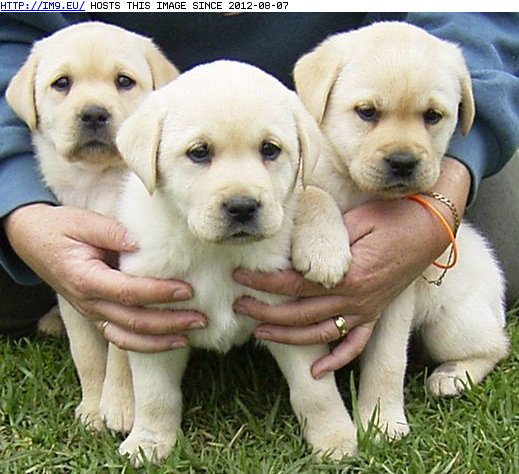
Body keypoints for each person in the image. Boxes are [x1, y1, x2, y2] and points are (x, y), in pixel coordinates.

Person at [1, 13, 518, 377]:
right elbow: (12, 29)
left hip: (323, 115)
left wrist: (444, 196)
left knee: (492, 255)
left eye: (430, 117)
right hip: (141, 144)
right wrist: (19, 203)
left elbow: (478, 19)